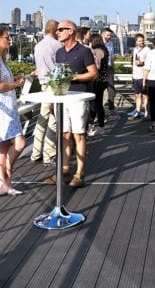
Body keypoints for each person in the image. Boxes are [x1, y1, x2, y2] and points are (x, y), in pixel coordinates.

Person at [44, 20, 97, 188]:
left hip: (78, 97)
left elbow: (93, 73)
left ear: (71, 31)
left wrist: (75, 77)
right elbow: (57, 77)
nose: (57, 32)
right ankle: (64, 171)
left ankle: (79, 174)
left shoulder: (84, 51)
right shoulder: (59, 52)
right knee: (65, 135)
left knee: (78, 135)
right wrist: (53, 100)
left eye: (61, 29)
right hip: (62, 98)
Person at [31, 19, 62, 165]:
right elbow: (59, 67)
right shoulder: (57, 45)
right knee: (53, 119)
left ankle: (36, 152)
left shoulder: (38, 46)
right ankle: (49, 154)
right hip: (54, 86)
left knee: (42, 118)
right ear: (56, 31)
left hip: (43, 84)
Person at [0, 27, 26, 195]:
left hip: (8, 108)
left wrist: (14, 78)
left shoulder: (2, 60)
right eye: (7, 37)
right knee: (20, 142)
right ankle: (5, 179)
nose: (10, 40)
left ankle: (5, 184)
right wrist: (16, 84)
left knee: (3, 148)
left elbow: (4, 81)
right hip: (3, 111)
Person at [87, 33, 109, 137]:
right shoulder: (105, 49)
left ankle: (93, 125)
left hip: (97, 81)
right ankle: (101, 125)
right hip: (104, 80)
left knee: (94, 104)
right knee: (98, 104)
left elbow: (97, 67)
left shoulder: (97, 51)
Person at [129, 33, 150, 120]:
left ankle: (146, 112)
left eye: (142, 40)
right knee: (137, 95)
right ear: (136, 41)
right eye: (140, 41)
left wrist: (142, 63)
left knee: (145, 95)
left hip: (144, 76)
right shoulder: (135, 50)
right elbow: (133, 62)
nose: (142, 42)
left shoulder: (147, 50)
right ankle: (137, 111)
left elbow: (149, 63)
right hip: (136, 75)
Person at [102, 27, 116, 115]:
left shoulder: (111, 43)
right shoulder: (98, 43)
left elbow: (112, 56)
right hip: (101, 68)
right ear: (103, 34)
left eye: (110, 35)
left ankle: (111, 109)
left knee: (111, 89)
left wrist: (113, 67)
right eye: (107, 35)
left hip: (110, 67)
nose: (109, 37)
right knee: (100, 89)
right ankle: (100, 109)